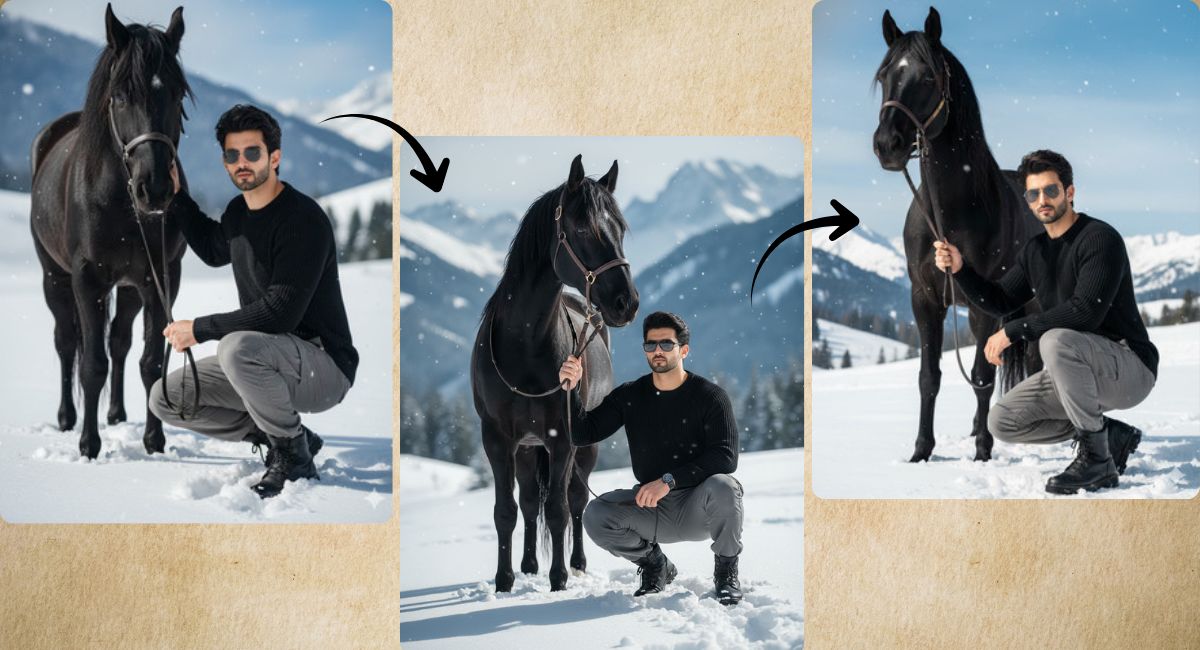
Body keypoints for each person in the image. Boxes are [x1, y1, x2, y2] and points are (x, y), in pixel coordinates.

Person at [149, 104, 358, 499]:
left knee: (235, 348)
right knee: (167, 398)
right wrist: (178, 200)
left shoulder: (302, 220)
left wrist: (200, 329)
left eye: (251, 152)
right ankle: (290, 436)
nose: (241, 162)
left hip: (324, 366)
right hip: (265, 359)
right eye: (232, 155)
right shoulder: (238, 212)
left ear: (274, 157)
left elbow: (280, 314)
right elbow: (214, 249)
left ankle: (293, 458)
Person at [934, 149, 1157, 495]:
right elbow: (1000, 300)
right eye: (1033, 193)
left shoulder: (1100, 239)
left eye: (1051, 190)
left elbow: (1086, 312)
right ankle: (1108, 436)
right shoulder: (1035, 250)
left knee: (1055, 340)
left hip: (1128, 367)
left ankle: (1097, 461)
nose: (1042, 200)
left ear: (1069, 192)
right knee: (1002, 421)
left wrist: (1012, 331)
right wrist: (961, 270)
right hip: (1075, 371)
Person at [558, 311, 744, 605]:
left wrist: (668, 481)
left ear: (684, 350)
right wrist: (571, 389)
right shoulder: (630, 395)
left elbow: (726, 457)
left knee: (725, 486)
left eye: (666, 344)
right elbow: (583, 433)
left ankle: (726, 575)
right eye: (651, 344)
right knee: (596, 514)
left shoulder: (711, 397)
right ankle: (655, 565)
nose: (658, 350)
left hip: (700, 508)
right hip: (652, 509)